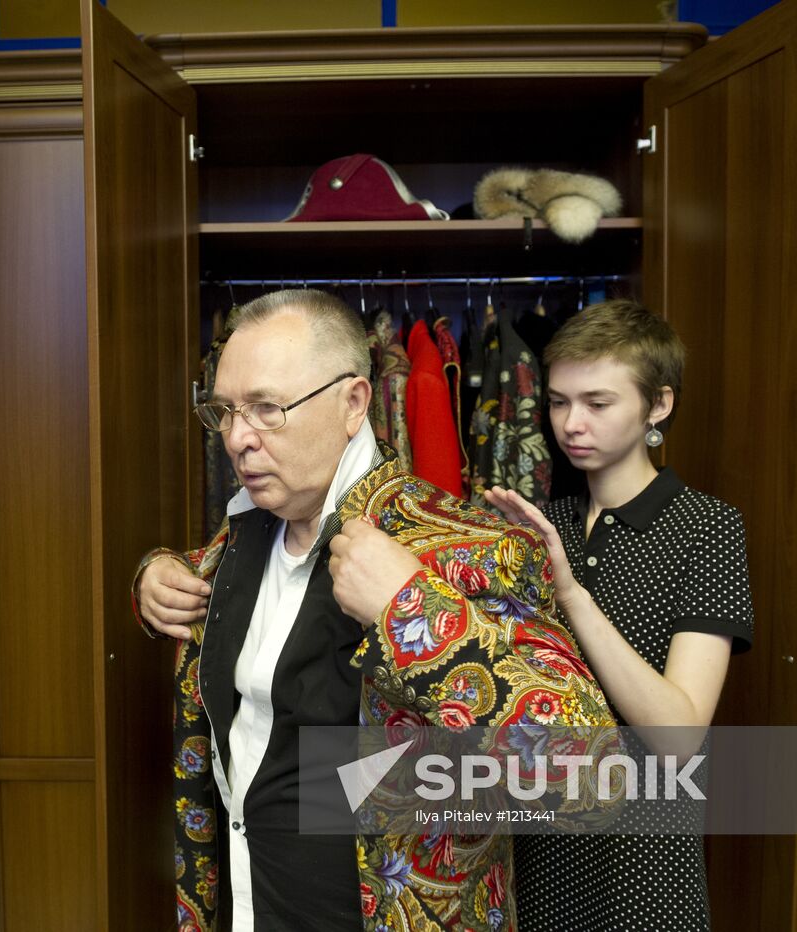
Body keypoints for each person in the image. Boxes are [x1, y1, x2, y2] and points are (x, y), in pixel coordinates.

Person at [132, 289, 615, 931]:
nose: (237, 439)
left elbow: (589, 781)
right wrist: (154, 577)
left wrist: (409, 608)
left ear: (354, 403)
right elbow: (214, 621)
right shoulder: (246, 531)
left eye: (267, 409)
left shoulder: (471, 545)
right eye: (224, 411)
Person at [483, 299, 755, 931]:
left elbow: (680, 736)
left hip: (646, 866)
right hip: (538, 852)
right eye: (557, 402)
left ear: (658, 406)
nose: (571, 424)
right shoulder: (541, 526)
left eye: (598, 404)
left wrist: (571, 592)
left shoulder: (706, 529)